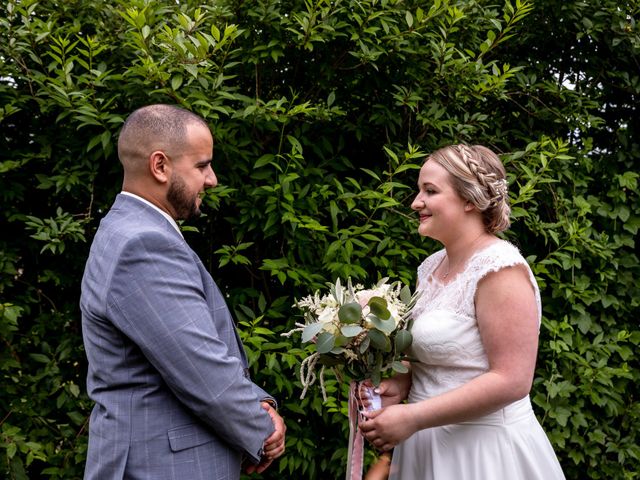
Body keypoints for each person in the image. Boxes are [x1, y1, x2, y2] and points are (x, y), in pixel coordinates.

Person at [80, 104, 285, 480]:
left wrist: (258, 402)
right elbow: (199, 366)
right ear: (160, 166)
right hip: (162, 466)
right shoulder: (142, 244)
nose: (213, 179)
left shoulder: (128, 230)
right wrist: (262, 428)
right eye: (202, 165)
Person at [359, 144, 564, 479]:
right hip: (425, 451)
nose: (415, 202)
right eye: (418, 190)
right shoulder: (430, 268)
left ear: (469, 200)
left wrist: (414, 417)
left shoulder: (500, 270)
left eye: (430, 191)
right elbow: (438, 352)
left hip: (483, 453)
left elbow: (512, 380)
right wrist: (400, 383)